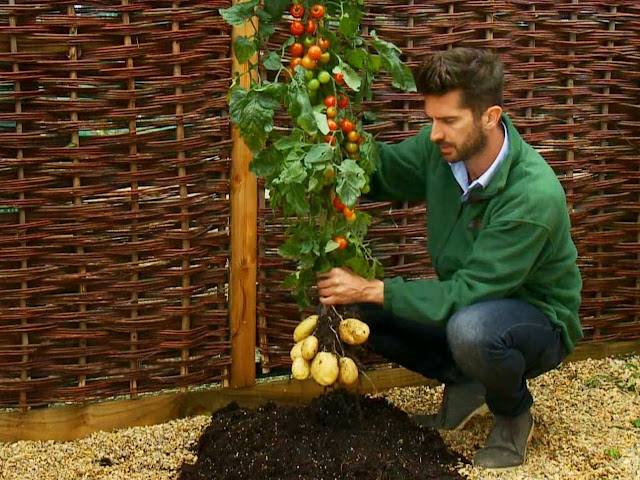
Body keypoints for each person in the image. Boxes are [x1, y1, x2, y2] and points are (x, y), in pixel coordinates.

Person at [316, 47, 583, 469]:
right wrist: (327, 134)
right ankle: (466, 382)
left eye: (448, 121)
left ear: (490, 117)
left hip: (536, 319)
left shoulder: (532, 197)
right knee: (361, 311)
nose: (435, 132)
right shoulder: (441, 151)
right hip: (471, 303)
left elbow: (468, 294)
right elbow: (380, 172)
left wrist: (372, 286)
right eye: (431, 119)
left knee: (470, 329)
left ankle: (512, 414)